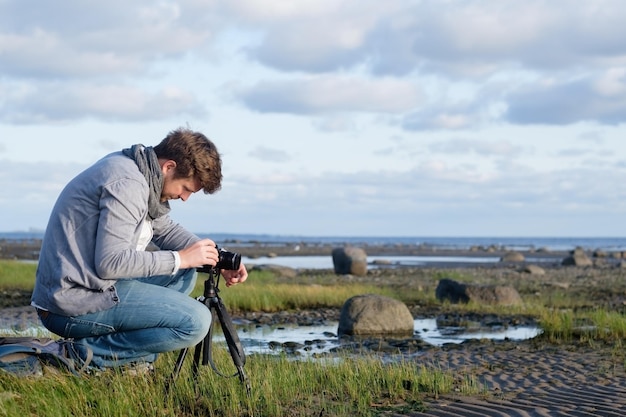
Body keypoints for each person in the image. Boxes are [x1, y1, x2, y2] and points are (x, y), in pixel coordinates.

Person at [31, 128, 248, 372]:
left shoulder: (140, 172)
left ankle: (128, 355)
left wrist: (219, 258)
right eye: (186, 188)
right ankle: (82, 355)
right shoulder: (129, 185)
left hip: (93, 285)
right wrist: (180, 258)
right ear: (169, 167)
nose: (185, 198)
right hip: (69, 303)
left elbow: (165, 230)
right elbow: (111, 262)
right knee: (196, 322)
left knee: (183, 272)